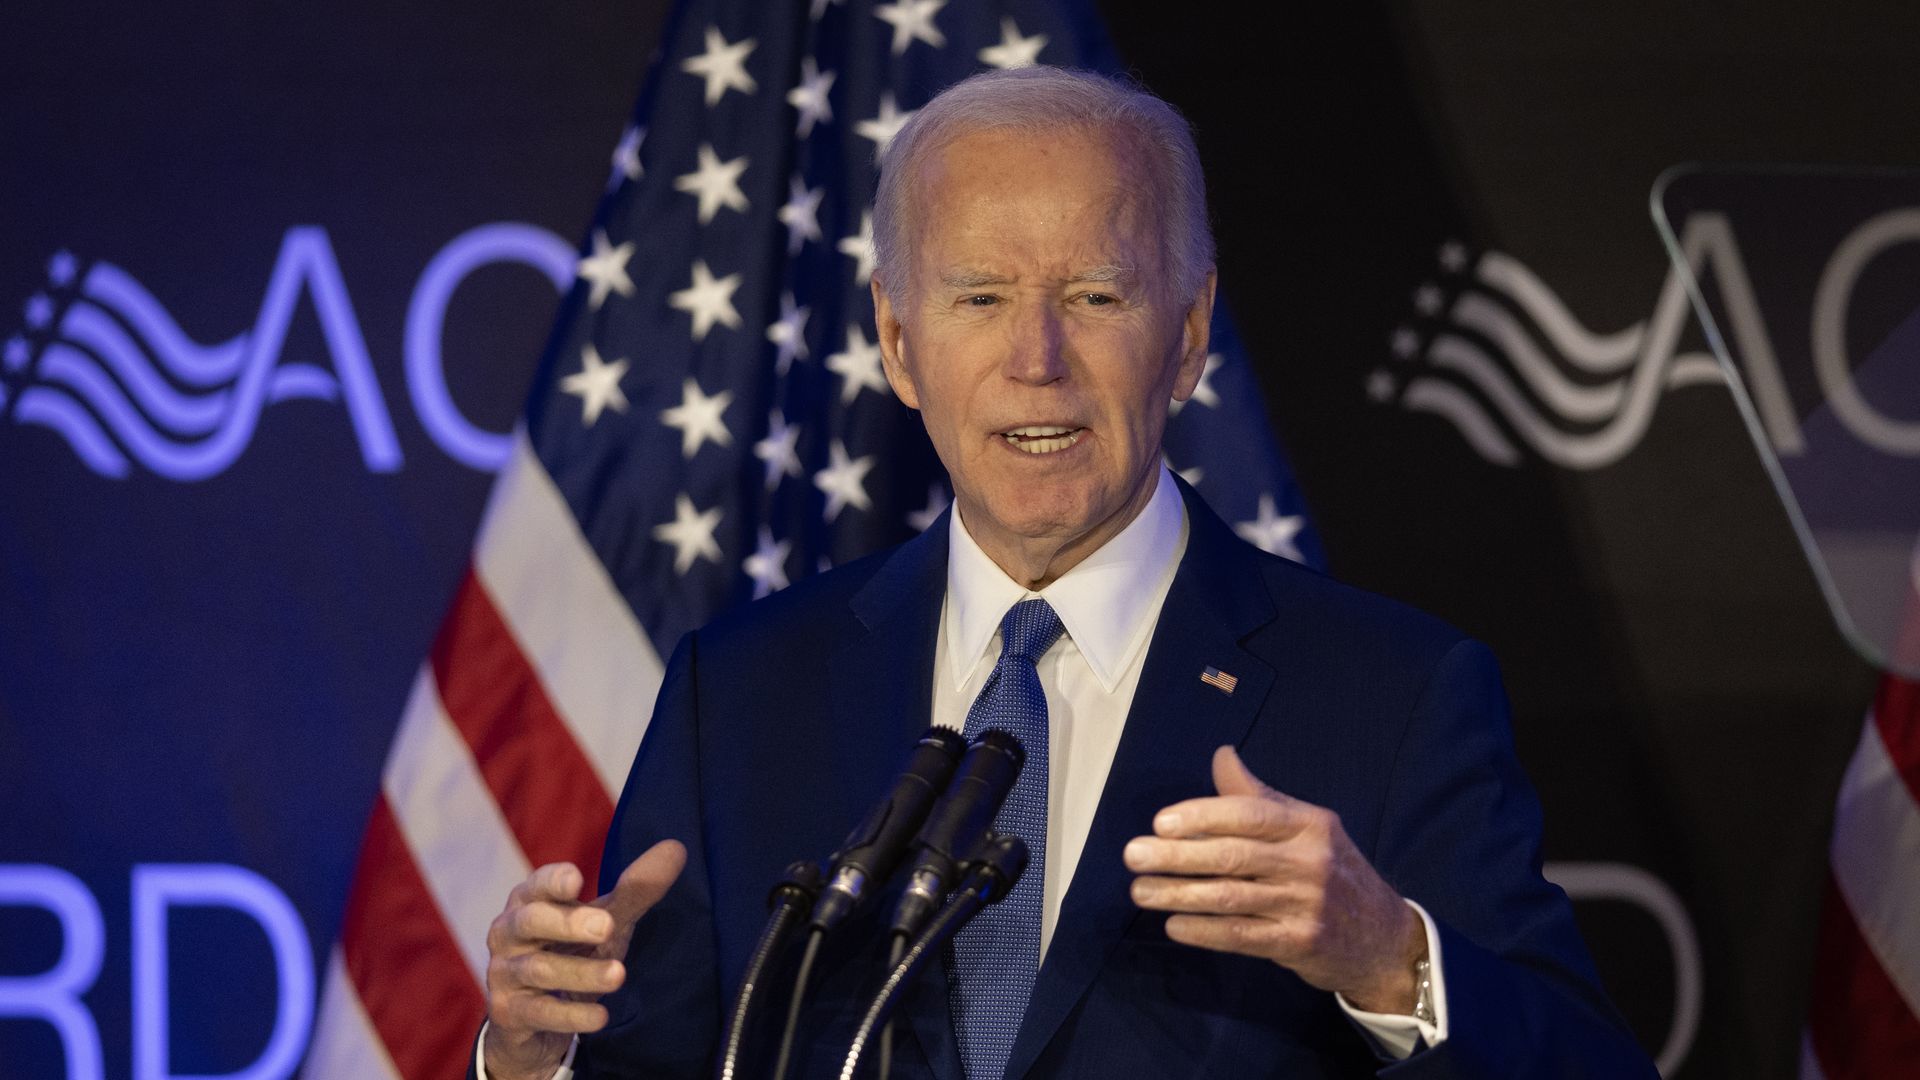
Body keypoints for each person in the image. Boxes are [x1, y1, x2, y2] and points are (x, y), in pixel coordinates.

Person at [474, 66, 1655, 1079]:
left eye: (1095, 296)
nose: (1036, 360)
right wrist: (531, 1058)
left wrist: (1386, 957)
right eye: (980, 298)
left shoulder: (1394, 696)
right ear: (898, 341)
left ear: (1188, 338)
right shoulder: (739, 693)